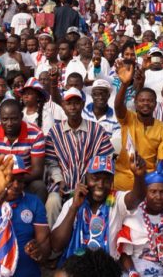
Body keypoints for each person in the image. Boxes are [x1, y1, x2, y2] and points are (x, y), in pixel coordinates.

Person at [51, 154, 146, 262]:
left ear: (112, 181)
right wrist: (74, 208)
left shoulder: (116, 200)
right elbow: (56, 245)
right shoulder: (71, 204)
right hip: (75, 268)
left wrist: (139, 177)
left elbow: (137, 197)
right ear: (85, 178)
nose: (100, 185)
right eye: (95, 178)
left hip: (106, 269)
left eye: (106, 180)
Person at [45, 87, 114, 226]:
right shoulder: (54, 132)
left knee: (105, 201)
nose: (73, 107)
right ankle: (54, 244)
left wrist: (89, 181)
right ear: (63, 106)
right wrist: (59, 180)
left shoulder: (96, 129)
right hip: (63, 186)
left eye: (76, 103)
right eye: (69, 103)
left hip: (91, 185)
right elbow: (51, 162)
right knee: (53, 202)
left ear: (82, 105)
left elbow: (105, 160)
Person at [0, 155, 50, 277]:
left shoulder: (34, 202)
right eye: (10, 179)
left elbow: (45, 246)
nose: (16, 185)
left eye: (20, 180)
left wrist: (39, 250)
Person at [116, 162, 163, 277]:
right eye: (153, 192)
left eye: (162, 192)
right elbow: (125, 253)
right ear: (145, 193)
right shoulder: (134, 214)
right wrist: (132, 272)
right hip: (134, 273)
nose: (158, 197)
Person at [113, 62, 163, 191]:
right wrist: (125, 84)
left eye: (149, 101)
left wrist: (158, 176)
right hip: (123, 175)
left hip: (147, 178)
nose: (145, 104)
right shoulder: (128, 118)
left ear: (155, 104)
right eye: (142, 101)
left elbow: (161, 161)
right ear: (136, 103)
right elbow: (118, 106)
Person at [82, 79, 121, 154]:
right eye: (96, 94)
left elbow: (115, 145)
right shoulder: (83, 112)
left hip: (104, 158)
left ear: (109, 96)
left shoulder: (115, 119)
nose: (100, 97)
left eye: (103, 94)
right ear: (92, 95)